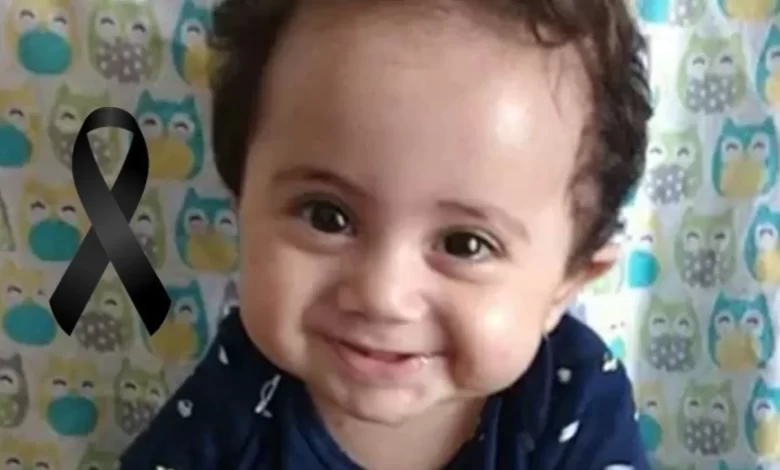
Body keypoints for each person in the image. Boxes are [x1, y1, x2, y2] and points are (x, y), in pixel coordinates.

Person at [119, 0, 652, 468]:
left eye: (466, 244)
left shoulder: (571, 403)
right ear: (242, 203)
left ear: (567, 282)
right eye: (326, 216)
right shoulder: (234, 402)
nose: (382, 295)